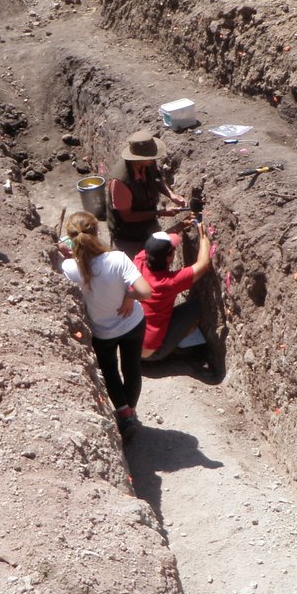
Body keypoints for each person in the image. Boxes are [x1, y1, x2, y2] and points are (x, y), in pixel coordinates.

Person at [59, 211, 152, 439]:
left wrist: (64, 254)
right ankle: (130, 409)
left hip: (102, 332)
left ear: (71, 239)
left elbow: (69, 263)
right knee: (132, 369)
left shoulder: (70, 268)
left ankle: (123, 415)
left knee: (110, 371)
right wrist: (130, 296)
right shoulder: (117, 259)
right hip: (132, 324)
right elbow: (145, 292)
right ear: (97, 232)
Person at [134, 223, 212, 361]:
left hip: (130, 345)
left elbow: (158, 243)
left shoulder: (138, 261)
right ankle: (176, 349)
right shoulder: (168, 282)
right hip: (150, 354)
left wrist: (182, 224)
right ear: (169, 258)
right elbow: (204, 264)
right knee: (194, 308)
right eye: (173, 249)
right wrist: (203, 236)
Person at [107, 130, 186, 253]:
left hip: (147, 223)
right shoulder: (120, 182)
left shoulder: (148, 161)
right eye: (151, 157)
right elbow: (127, 216)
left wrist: (171, 195)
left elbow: (156, 178)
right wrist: (159, 212)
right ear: (137, 158)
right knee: (139, 266)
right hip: (129, 236)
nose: (154, 159)